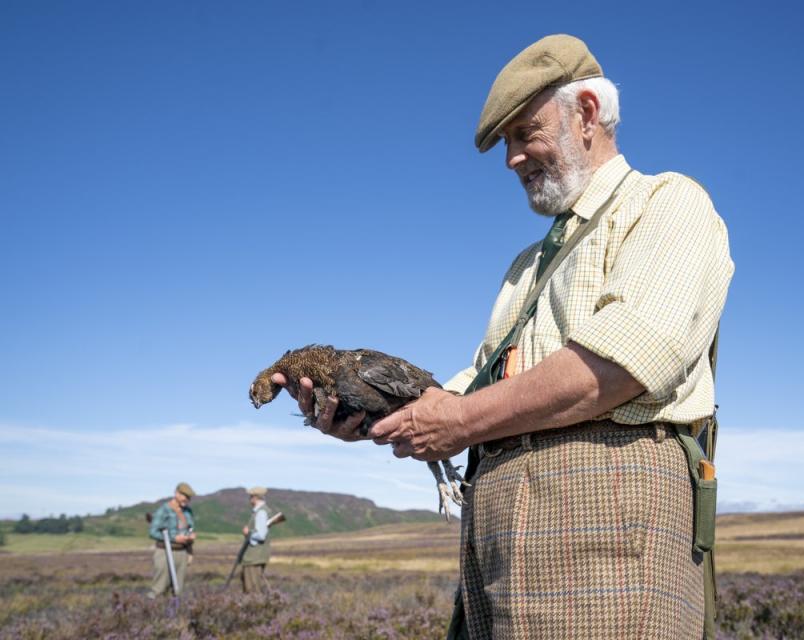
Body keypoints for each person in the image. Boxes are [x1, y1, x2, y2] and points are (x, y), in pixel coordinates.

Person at [274, 34, 733, 640]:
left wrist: (460, 423)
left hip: (605, 521)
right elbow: (474, 385)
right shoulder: (527, 265)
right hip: (497, 531)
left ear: (587, 114)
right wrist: (372, 411)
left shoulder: (667, 203)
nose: (512, 158)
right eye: (506, 145)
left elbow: (624, 361)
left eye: (525, 133)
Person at [147, 482, 196, 598]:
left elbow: (189, 527)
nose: (187, 500)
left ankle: (173, 614)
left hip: (182, 552)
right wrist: (173, 538)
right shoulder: (164, 510)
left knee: (178, 589)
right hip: (165, 551)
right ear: (176, 493)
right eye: (185, 496)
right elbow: (153, 532)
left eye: (189, 497)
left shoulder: (187, 511)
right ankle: (150, 612)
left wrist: (190, 536)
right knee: (159, 588)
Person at [240, 486, 273, 594]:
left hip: (254, 557)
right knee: (252, 587)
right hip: (256, 556)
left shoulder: (261, 513)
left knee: (252, 589)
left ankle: (254, 609)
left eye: (250, 496)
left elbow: (261, 535)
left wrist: (248, 533)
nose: (249, 499)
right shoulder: (261, 511)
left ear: (255, 498)